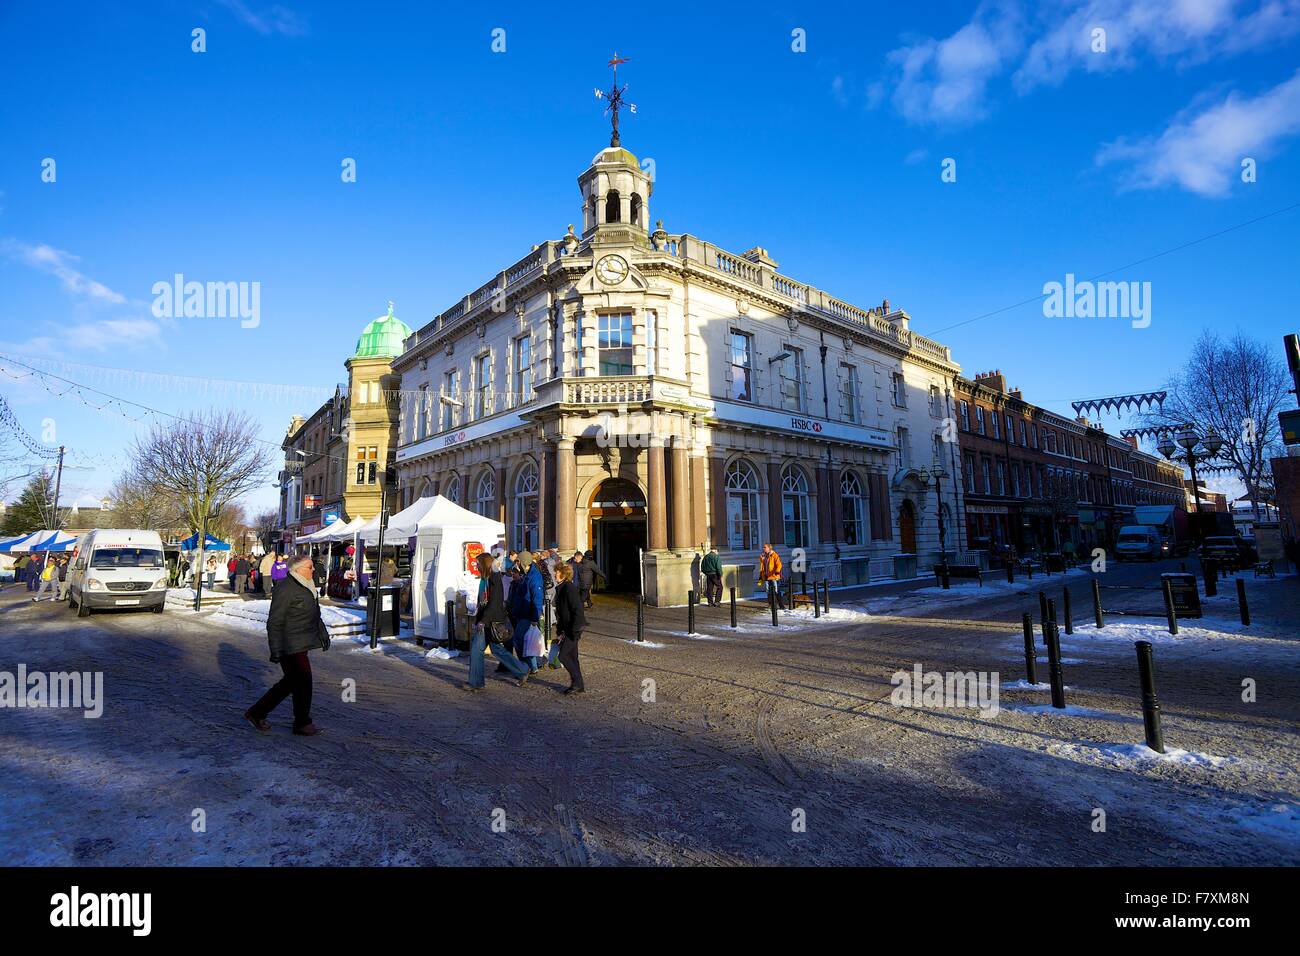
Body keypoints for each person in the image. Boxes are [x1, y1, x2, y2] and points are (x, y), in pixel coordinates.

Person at [245, 554, 328, 736]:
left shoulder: (307, 586)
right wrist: (275, 649)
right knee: (303, 682)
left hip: (301, 642)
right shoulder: (286, 588)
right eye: (310, 567)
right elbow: (274, 621)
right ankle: (301, 722)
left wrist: (323, 634)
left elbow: (314, 614)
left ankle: (257, 713)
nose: (313, 570)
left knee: (292, 682)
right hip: (288, 644)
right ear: (297, 570)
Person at [463, 551, 530, 690]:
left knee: (477, 650)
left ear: (484, 564)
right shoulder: (487, 577)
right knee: (497, 649)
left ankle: (475, 682)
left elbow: (494, 603)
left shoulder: (493, 578)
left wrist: (482, 621)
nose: (476, 566)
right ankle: (522, 669)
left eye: (477, 564)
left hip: (489, 621)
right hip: (488, 620)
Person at [508, 550, 545, 673]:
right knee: (526, 641)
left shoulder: (534, 577)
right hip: (521, 612)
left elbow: (537, 598)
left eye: (518, 562)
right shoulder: (526, 574)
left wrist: (535, 618)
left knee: (519, 640)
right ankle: (532, 666)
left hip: (527, 615)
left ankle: (527, 666)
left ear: (524, 563)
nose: (517, 565)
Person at [552, 562, 586, 695]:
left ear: (563, 574)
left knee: (564, 656)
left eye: (557, 571)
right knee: (572, 656)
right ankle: (578, 685)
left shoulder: (568, 588)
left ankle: (577, 683)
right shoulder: (561, 587)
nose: (555, 573)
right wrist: (560, 631)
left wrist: (575, 629)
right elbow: (561, 613)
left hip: (574, 627)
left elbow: (577, 609)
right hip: (569, 627)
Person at [759, 542, 784, 609]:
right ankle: (771, 605)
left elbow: (779, 564)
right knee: (768, 591)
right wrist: (761, 576)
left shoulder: (774, 555)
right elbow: (762, 567)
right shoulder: (762, 556)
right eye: (763, 547)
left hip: (774, 577)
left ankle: (781, 605)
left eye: (765, 547)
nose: (763, 548)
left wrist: (777, 571)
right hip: (766, 577)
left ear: (769, 548)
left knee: (776, 591)